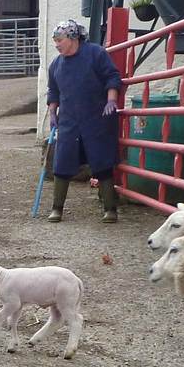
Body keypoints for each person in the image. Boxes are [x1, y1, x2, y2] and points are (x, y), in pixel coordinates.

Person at [45, 19, 122, 223]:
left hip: (97, 118)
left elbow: (112, 76)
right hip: (69, 120)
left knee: (102, 161)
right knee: (61, 163)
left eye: (59, 39)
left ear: (72, 37)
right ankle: (57, 208)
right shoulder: (56, 64)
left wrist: (111, 100)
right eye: (55, 40)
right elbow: (53, 90)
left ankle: (110, 209)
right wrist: (53, 112)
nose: (56, 44)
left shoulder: (95, 54)